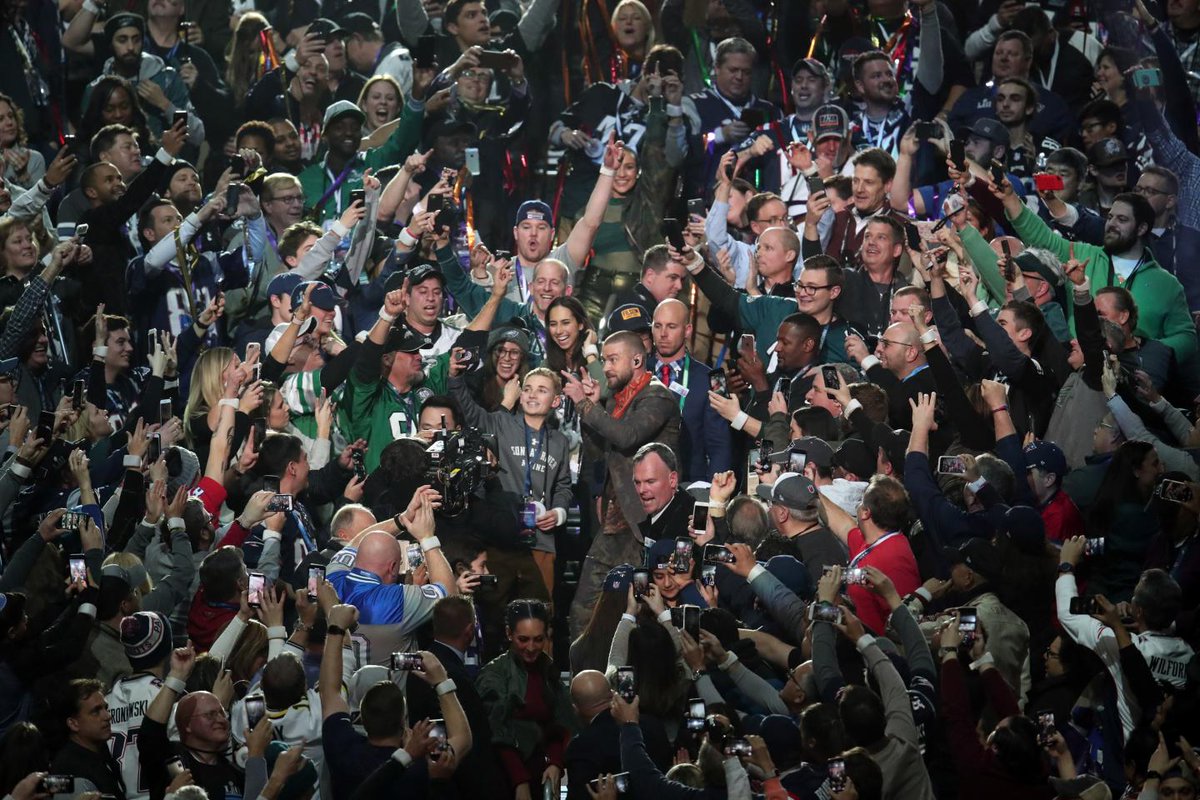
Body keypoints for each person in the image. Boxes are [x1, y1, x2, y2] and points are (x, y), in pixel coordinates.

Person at [563, 331, 680, 638]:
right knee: (584, 609)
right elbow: (598, 452)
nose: (606, 368)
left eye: (613, 360)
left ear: (637, 360)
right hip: (617, 520)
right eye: (604, 360)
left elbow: (626, 437)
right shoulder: (618, 399)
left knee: (639, 614)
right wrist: (591, 407)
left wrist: (586, 406)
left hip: (646, 524)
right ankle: (584, 667)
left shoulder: (657, 397)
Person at [477, 599, 574, 800]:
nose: (531, 647)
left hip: (541, 773)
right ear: (509, 634)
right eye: (523, 639)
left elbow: (560, 722)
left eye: (538, 639)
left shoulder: (548, 669)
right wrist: (520, 781)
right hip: (504, 776)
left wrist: (555, 762)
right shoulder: (494, 675)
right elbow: (497, 732)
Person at [648, 299, 732, 482]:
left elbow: (720, 445)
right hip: (640, 483)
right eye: (658, 326)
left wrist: (713, 492)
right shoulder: (637, 371)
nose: (663, 334)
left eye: (671, 326)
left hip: (690, 484)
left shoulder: (715, 380)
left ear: (687, 330)